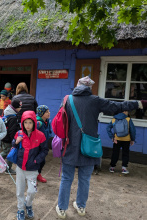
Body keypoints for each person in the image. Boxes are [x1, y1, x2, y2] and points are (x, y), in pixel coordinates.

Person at [55, 76, 143, 219]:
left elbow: (61, 122)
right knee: (85, 179)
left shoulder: (67, 100)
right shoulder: (95, 100)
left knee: (66, 178)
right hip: (89, 146)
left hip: (69, 146)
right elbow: (117, 106)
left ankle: (62, 209)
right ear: (89, 87)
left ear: (77, 85)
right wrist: (138, 103)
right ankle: (81, 206)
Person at [13, 110, 48, 220]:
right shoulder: (19, 133)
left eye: (30, 122)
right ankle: (20, 209)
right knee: (19, 191)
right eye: (25, 122)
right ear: (22, 123)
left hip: (33, 170)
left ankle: (28, 204)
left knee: (32, 191)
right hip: (20, 168)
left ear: (34, 123)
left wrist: (36, 161)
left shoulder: (40, 135)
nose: (27, 125)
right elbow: (13, 145)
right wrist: (16, 142)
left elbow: (44, 150)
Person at [0, 98, 22, 175]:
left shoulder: (8, 114)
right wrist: (14, 140)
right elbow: (12, 130)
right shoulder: (13, 118)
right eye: (20, 107)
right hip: (8, 139)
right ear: (16, 108)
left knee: (7, 152)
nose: (20, 108)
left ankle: (2, 166)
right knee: (8, 153)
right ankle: (4, 167)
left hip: (5, 138)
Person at [36, 105, 52, 183]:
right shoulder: (38, 123)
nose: (49, 113)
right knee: (36, 161)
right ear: (41, 113)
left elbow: (49, 132)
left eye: (48, 111)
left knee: (42, 161)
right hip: (37, 146)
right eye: (46, 112)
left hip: (44, 145)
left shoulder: (47, 122)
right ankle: (32, 176)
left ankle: (38, 174)